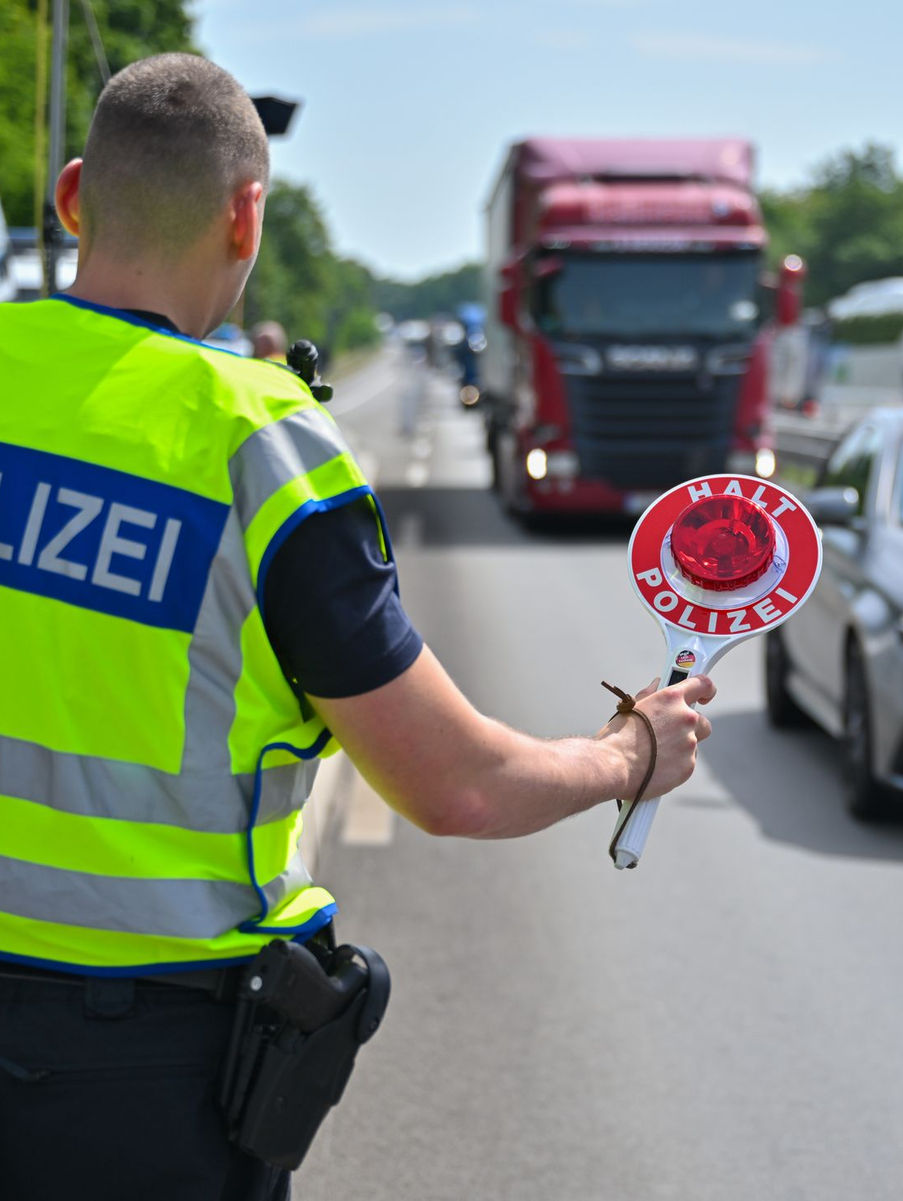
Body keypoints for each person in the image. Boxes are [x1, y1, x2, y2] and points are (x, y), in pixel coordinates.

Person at [0, 53, 715, 1201]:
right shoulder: (264, 451)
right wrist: (629, 753)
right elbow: (455, 787)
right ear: (246, 217)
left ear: (75, 197)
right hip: (134, 1071)